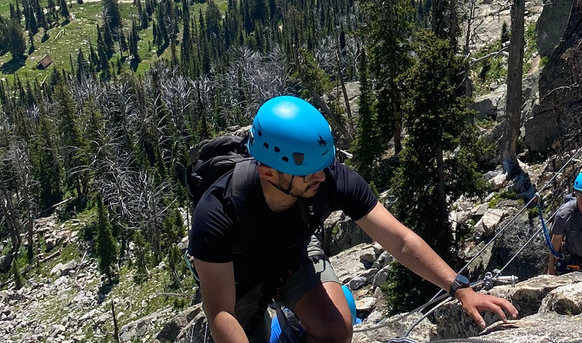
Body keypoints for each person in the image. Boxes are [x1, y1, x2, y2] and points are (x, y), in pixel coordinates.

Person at [189, 95, 518, 343]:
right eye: (308, 173)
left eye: (323, 167)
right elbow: (221, 311)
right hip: (238, 276)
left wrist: (460, 288)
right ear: (268, 173)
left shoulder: (329, 178)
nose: (321, 177)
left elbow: (400, 240)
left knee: (336, 330)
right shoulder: (218, 211)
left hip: (293, 253)